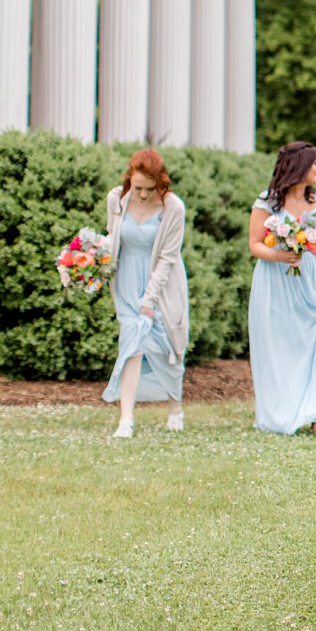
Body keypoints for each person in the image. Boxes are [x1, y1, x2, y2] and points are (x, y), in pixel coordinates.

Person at [247, 141, 316, 435]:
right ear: (299, 166)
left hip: (310, 281)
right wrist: (282, 255)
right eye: (315, 163)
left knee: (315, 343)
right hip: (275, 281)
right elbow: (255, 244)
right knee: (280, 347)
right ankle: (283, 412)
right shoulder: (267, 202)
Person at [101, 148, 188, 438]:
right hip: (126, 280)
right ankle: (126, 419)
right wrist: (90, 262)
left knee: (166, 348)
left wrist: (149, 300)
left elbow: (167, 258)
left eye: (148, 189)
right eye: (137, 188)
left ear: (160, 183)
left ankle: (175, 407)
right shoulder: (116, 199)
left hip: (161, 286)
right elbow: (112, 240)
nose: (141, 195)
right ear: (129, 180)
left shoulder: (173, 207)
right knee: (132, 344)